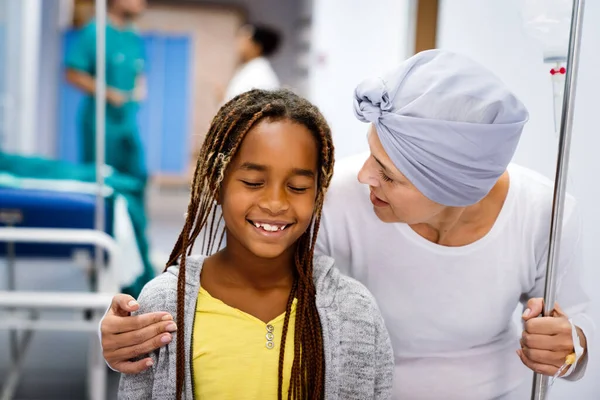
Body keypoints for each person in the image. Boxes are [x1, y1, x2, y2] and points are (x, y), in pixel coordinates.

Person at [101, 50, 593, 399]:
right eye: (372, 151)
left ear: (453, 188)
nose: (364, 175)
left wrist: (570, 346)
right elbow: (232, 275)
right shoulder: (337, 199)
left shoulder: (544, 214)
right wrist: (132, 328)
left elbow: (583, 324)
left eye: (389, 173)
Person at [117, 89, 394, 399]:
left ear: (318, 194)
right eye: (252, 183)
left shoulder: (354, 311)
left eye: (298, 187)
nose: (275, 203)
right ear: (216, 182)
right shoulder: (166, 306)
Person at [65, 0, 148, 188]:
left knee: (135, 177)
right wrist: (108, 93)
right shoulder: (95, 32)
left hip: (127, 121)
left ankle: (132, 217)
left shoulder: (132, 34)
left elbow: (139, 69)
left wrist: (140, 87)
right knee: (101, 180)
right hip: (101, 122)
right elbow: (72, 73)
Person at [219, 24, 281, 104]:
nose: (239, 43)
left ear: (257, 47)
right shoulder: (250, 70)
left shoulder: (259, 75)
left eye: (244, 39)